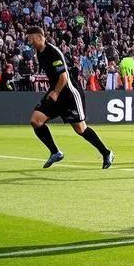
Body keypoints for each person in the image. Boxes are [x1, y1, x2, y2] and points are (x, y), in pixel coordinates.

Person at [26, 27, 114, 169]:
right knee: (36, 120)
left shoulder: (53, 52)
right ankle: (55, 152)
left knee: (80, 129)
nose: (29, 42)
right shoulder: (40, 53)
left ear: (39, 37)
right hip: (55, 91)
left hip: (69, 94)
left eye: (30, 39)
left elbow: (64, 77)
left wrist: (55, 93)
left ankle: (106, 153)